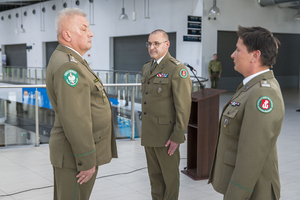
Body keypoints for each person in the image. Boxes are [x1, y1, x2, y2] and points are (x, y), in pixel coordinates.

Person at [46, 8, 117, 200]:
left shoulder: (73, 61)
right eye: (84, 28)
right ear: (67, 34)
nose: (91, 33)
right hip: (75, 157)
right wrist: (86, 160)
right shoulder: (69, 66)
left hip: (74, 154)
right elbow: (75, 118)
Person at [208, 26, 284, 200]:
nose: (233, 55)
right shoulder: (250, 87)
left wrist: (235, 196)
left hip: (253, 191)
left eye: (238, 49)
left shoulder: (263, 93)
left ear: (254, 56)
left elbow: (252, 155)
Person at [141, 29, 192, 200]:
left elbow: (183, 106)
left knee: (170, 179)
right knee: (154, 178)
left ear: (167, 44)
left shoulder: (177, 69)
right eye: (149, 43)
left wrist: (178, 135)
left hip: (166, 136)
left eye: (156, 43)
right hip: (149, 133)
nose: (152, 47)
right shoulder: (147, 67)